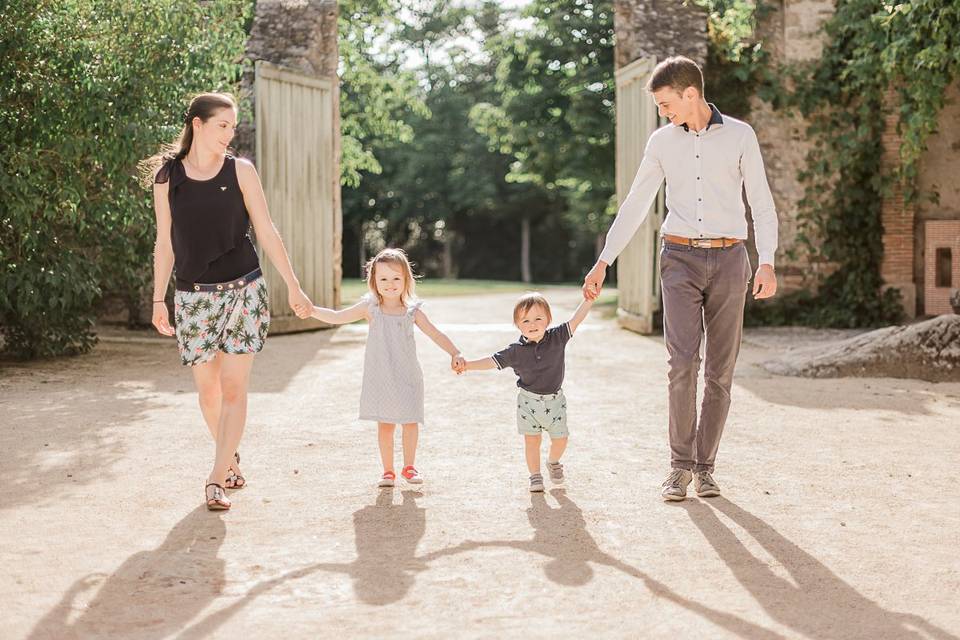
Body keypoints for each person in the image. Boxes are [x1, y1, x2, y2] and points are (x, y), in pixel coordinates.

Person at [582, 56, 779, 501]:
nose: (662, 113)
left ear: (691, 94)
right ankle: (679, 466)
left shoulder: (740, 136)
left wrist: (766, 259)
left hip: (731, 258)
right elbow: (635, 203)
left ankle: (705, 467)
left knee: (720, 369)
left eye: (666, 103)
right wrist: (604, 260)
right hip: (679, 259)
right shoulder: (661, 142)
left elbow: (761, 204)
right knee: (681, 363)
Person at [141, 92, 312, 511]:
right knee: (208, 392)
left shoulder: (241, 171)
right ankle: (229, 455)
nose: (229, 134)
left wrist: (293, 284)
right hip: (193, 297)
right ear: (197, 125)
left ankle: (216, 478)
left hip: (244, 291)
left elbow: (267, 232)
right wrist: (158, 299)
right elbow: (164, 243)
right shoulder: (168, 178)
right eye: (222, 125)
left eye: (233, 126)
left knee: (235, 389)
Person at [309, 248, 465, 487]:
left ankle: (410, 467)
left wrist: (454, 352)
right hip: (381, 376)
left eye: (396, 278)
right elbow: (337, 316)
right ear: (374, 281)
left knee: (410, 421)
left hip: (408, 375)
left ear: (406, 281)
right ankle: (388, 471)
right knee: (385, 425)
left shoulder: (412, 311)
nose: (390, 284)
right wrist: (312, 310)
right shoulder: (369, 308)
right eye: (383, 279)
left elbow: (435, 333)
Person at [459, 293, 594, 492]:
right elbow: (491, 361)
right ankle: (535, 476)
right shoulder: (515, 351)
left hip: (555, 402)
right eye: (526, 320)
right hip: (528, 403)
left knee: (561, 439)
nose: (533, 324)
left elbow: (577, 319)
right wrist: (467, 366)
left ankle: (553, 461)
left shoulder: (558, 337)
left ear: (548, 319)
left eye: (538, 318)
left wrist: (589, 299)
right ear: (517, 324)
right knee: (532, 441)